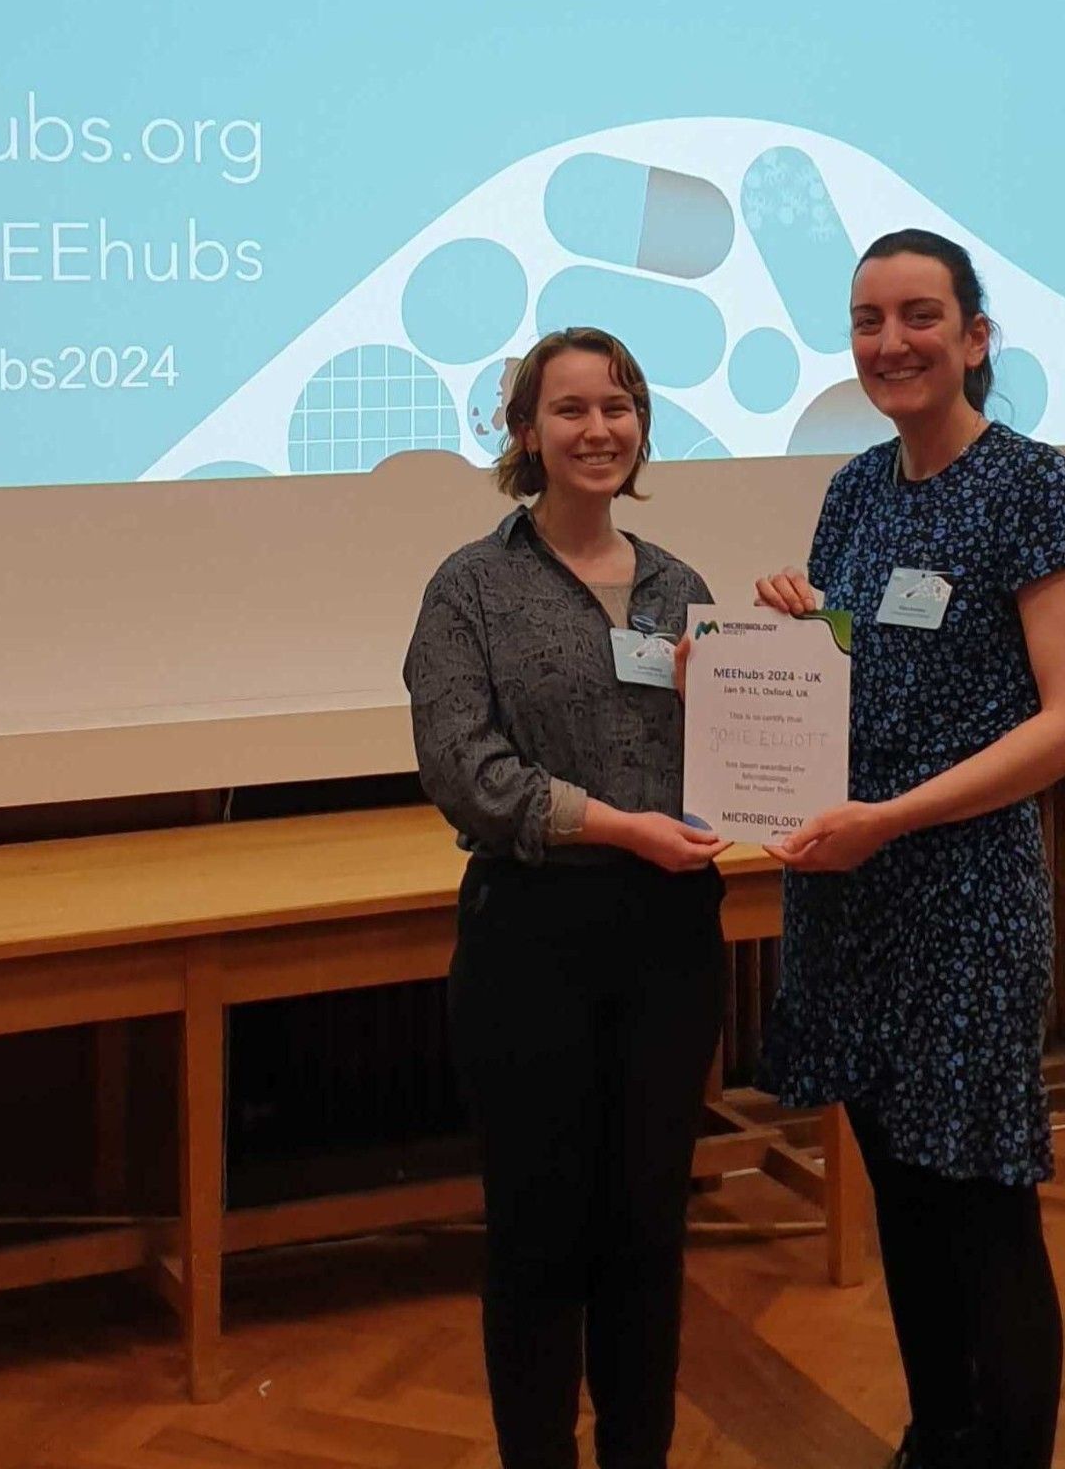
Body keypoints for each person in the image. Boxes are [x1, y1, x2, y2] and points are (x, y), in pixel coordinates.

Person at [754, 230, 1065, 1469]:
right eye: (865, 319)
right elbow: (873, 672)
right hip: (849, 897)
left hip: (959, 898)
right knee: (903, 1200)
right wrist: (799, 639)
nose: (888, 342)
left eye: (918, 315)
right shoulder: (852, 487)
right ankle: (935, 1440)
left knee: (983, 1210)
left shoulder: (1032, 484)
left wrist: (891, 820)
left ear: (973, 336)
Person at [404, 326, 727, 1469]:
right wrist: (616, 822)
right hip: (529, 941)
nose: (598, 429)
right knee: (538, 1237)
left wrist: (803, 634)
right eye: (570, 408)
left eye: (619, 406)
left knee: (646, 1229)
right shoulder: (471, 587)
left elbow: (762, 745)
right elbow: (465, 769)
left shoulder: (683, 589)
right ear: (524, 431)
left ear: (641, 424)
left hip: (669, 942)